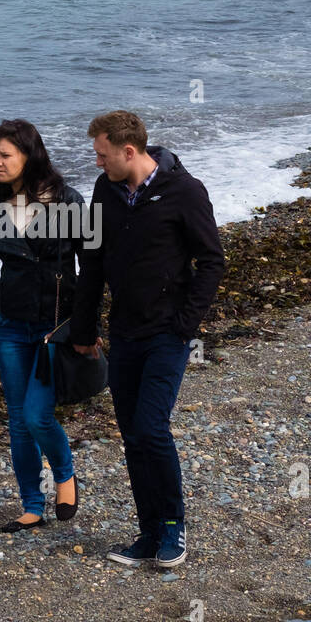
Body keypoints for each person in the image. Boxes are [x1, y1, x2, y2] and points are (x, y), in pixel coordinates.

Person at [70, 110, 225, 568]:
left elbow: (211, 261)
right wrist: (84, 328)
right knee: (132, 436)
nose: (97, 163)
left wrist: (185, 325)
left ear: (129, 151)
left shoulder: (184, 191)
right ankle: (147, 533)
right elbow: (93, 263)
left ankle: (174, 528)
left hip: (166, 333)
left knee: (152, 428)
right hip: (124, 332)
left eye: (102, 155)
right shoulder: (106, 191)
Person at [0, 119, 85, 532]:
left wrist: (87, 325)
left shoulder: (69, 202)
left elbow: (93, 266)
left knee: (37, 416)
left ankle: (64, 475)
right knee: (16, 419)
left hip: (54, 328)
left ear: (29, 155)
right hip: (11, 327)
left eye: (5, 155)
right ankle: (32, 504)